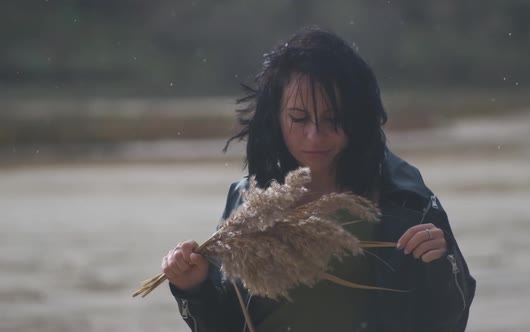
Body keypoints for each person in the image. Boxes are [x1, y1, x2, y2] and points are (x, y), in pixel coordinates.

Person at [161, 27, 476, 332]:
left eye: (333, 118)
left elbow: (449, 320)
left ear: (358, 116)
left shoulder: (406, 202)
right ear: (275, 117)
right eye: (299, 118)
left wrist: (441, 264)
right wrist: (194, 287)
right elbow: (224, 324)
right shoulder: (248, 201)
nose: (315, 135)